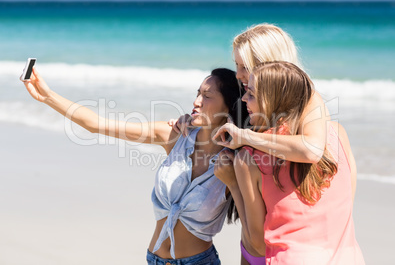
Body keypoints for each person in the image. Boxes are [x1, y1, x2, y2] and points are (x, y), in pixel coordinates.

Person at [21, 67, 247, 264]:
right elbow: (96, 124)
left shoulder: (235, 160)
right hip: (154, 259)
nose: (196, 101)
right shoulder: (174, 135)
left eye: (207, 96)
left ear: (228, 107)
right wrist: (47, 96)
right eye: (198, 93)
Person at [170, 23, 337, 264]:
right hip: (253, 235)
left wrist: (245, 137)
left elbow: (311, 149)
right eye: (237, 65)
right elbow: (221, 118)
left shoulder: (307, 98)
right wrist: (191, 120)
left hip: (282, 243)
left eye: (244, 66)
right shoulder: (253, 99)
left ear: (269, 62)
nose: (238, 74)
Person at [216, 61, 365, 265]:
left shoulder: (248, 159)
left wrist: (232, 183)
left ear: (272, 101)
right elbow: (348, 205)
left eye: (251, 94)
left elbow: (258, 244)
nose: (243, 99)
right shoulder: (337, 134)